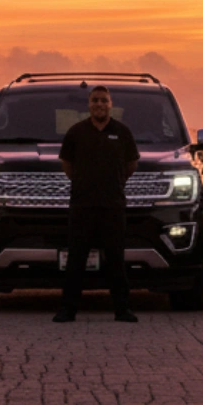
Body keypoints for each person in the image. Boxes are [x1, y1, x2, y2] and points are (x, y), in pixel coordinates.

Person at [55, 85, 139, 323]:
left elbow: (131, 164)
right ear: (89, 104)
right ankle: (67, 310)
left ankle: (122, 310)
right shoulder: (76, 132)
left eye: (104, 100)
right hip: (82, 206)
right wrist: (85, 183)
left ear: (110, 103)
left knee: (116, 259)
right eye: (95, 101)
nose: (99, 104)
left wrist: (114, 182)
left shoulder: (122, 132)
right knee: (76, 259)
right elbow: (67, 165)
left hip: (113, 206)